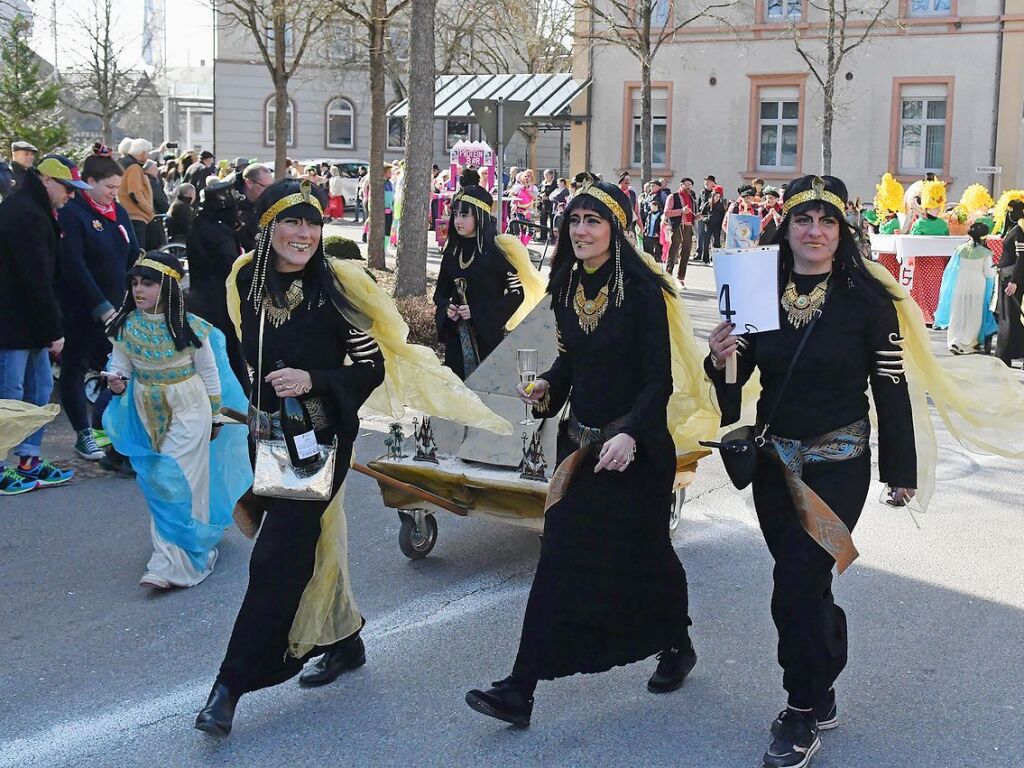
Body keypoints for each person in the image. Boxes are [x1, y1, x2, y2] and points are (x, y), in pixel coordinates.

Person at [194, 179, 511, 738]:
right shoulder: (245, 277)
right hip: (267, 438)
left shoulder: (335, 288)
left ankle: (231, 685)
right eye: (292, 222)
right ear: (267, 226)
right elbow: (247, 346)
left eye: (313, 223)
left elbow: (369, 370)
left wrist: (312, 379)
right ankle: (345, 641)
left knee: (276, 560)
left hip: (319, 444)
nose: (305, 234)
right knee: (311, 547)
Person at [465, 175, 699, 729]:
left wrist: (630, 435)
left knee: (646, 557)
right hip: (580, 448)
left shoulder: (643, 294)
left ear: (616, 230)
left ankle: (677, 642)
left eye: (593, 221)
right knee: (558, 560)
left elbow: (656, 382)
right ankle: (519, 688)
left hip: (635, 452)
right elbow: (573, 364)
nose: (581, 230)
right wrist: (548, 386)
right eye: (574, 220)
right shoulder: (567, 287)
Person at [706, 174, 918, 768]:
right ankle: (821, 675)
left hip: (839, 465)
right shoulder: (756, 291)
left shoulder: (869, 301)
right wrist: (719, 356)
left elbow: (891, 386)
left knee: (796, 579)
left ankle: (800, 710)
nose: (815, 231)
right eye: (804, 220)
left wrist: (901, 469)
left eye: (827, 221)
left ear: (841, 230)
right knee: (799, 580)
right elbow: (734, 388)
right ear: (787, 228)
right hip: (775, 466)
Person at [102, 252, 250, 588]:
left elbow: (210, 374)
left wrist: (214, 417)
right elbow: (121, 366)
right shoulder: (125, 326)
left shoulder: (192, 327)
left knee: (176, 478)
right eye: (135, 283)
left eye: (148, 283)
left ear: (167, 286)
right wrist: (116, 380)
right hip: (145, 412)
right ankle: (193, 545)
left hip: (189, 408)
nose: (138, 290)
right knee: (158, 479)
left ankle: (170, 563)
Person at [0, 155, 82, 494]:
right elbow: (35, 279)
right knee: (10, 396)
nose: (70, 195)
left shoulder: (35, 210)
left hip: (29, 322)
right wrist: (53, 330)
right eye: (66, 188)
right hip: (14, 323)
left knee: (37, 391)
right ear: (47, 180)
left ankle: (29, 459)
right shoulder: (24, 214)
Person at [58, 145, 141, 463]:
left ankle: (114, 431)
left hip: (117, 305)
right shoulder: (73, 213)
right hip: (82, 308)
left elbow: (131, 250)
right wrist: (99, 305)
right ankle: (83, 434)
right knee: (76, 368)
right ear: (89, 182)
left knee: (120, 369)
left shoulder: (117, 212)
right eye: (108, 187)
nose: (113, 194)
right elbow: (74, 264)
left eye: (117, 188)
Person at [432, 171, 545, 380]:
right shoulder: (451, 253)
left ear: (479, 216)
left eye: (465, 215)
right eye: (455, 214)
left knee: (482, 392)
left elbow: (516, 293)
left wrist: (476, 311)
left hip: (486, 338)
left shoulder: (494, 255)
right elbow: (439, 294)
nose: (457, 221)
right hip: (456, 338)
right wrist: (447, 309)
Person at [186, 179, 247, 390]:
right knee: (229, 349)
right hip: (221, 299)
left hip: (199, 298)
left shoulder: (198, 225)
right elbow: (233, 266)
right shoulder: (220, 233)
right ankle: (240, 396)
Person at [933, 222, 997, 354]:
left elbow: (952, 270)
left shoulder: (960, 249)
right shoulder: (986, 253)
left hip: (960, 284)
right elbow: (988, 273)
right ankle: (967, 343)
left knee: (958, 313)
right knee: (973, 315)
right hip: (977, 285)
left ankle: (955, 340)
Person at [995, 199, 1024, 366]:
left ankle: (1005, 355)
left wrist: (1014, 281)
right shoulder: (1014, 228)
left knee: (1010, 318)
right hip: (1006, 277)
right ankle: (1007, 353)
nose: (1008, 214)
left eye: (1011, 211)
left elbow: (1022, 258)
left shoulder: (1019, 230)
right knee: (1008, 317)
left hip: (1012, 279)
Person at [118, 138, 155, 247]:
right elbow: (134, 193)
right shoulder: (134, 167)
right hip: (136, 215)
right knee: (138, 252)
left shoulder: (121, 163)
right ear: (143, 153)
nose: (148, 156)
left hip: (124, 211)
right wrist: (148, 210)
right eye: (148, 153)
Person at [236, 163, 273, 252]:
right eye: (266, 187)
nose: (269, 191)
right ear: (249, 183)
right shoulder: (232, 203)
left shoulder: (265, 199)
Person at [664, 178, 695, 281]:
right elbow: (667, 212)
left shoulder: (691, 198)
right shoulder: (672, 196)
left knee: (686, 252)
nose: (689, 186)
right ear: (681, 184)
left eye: (690, 185)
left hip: (688, 226)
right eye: (687, 184)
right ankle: (668, 276)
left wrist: (696, 216)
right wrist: (681, 211)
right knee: (673, 251)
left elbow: (691, 214)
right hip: (678, 226)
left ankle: (681, 278)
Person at [144, 159, 169, 250]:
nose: (157, 171)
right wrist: (167, 209)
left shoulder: (143, 179)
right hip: (154, 216)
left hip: (147, 216)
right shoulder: (152, 182)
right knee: (157, 246)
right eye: (155, 169)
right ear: (148, 170)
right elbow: (160, 199)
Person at [538, 168, 557, 241]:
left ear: (551, 175)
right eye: (544, 175)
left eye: (547, 175)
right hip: (543, 204)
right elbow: (539, 191)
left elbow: (556, 193)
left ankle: (552, 236)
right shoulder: (543, 183)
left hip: (551, 204)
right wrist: (541, 195)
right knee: (542, 220)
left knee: (552, 221)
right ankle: (543, 236)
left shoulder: (555, 184)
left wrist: (548, 197)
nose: (545, 176)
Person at [643, 196, 664, 262]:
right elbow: (647, 223)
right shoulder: (649, 214)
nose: (651, 207)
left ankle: (658, 259)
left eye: (653, 206)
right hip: (649, 234)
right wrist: (645, 231)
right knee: (648, 249)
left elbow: (662, 226)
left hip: (656, 235)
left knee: (658, 249)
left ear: (656, 206)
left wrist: (658, 233)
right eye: (651, 206)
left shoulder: (661, 215)